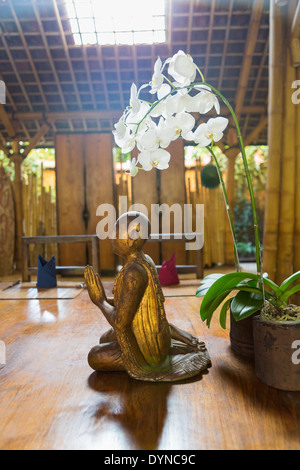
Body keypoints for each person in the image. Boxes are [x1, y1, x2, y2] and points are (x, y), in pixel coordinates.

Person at [85, 211, 211, 382]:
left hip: (149, 350)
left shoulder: (134, 272)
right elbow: (136, 306)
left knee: (94, 356)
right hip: (160, 337)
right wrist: (105, 299)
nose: (111, 237)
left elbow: (121, 323)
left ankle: (151, 359)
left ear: (132, 239)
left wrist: (99, 301)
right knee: (105, 338)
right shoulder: (145, 260)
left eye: (116, 233)